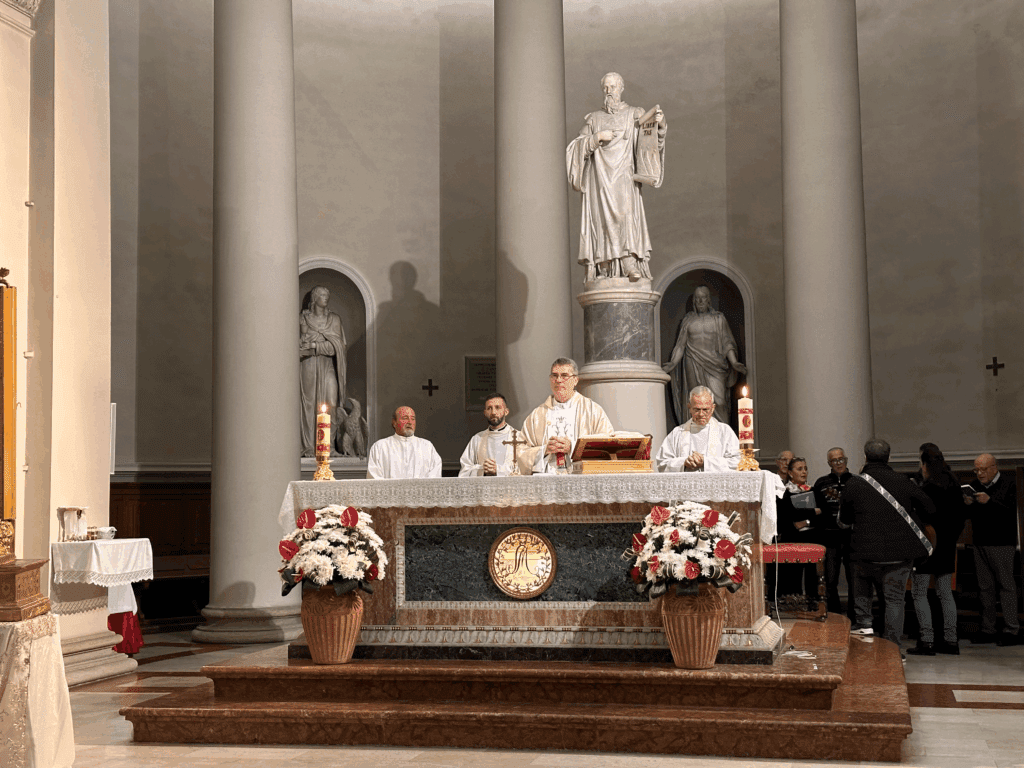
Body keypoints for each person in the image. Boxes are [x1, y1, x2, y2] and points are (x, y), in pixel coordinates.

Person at [566, 72, 666, 283]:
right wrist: (596, 138)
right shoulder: (594, 118)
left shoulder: (634, 115)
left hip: (625, 178)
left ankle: (628, 261)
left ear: (621, 88)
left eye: (613, 87)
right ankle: (604, 262)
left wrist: (660, 125)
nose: (609, 91)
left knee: (626, 216)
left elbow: (649, 147)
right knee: (602, 218)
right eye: (606, 88)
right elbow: (575, 149)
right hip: (600, 180)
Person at [839, 439, 935, 657]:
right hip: (898, 555)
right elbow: (930, 508)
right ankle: (892, 651)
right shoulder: (903, 481)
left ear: (865, 457)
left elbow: (844, 520)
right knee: (894, 601)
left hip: (863, 553)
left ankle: (863, 648)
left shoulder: (854, 484)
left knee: (862, 598)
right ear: (888, 457)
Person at [907, 445, 967, 655]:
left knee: (919, 592)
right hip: (947, 544)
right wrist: (950, 538)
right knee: (945, 593)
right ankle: (951, 641)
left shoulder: (927, 490)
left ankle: (927, 640)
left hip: (927, 545)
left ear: (925, 465)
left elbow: (918, 519)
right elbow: (961, 518)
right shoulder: (953, 484)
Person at [662, 286, 747, 425]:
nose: (700, 301)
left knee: (718, 401)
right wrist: (672, 363)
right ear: (694, 301)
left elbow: (727, 343)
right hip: (693, 362)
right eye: (697, 298)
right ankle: (694, 435)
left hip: (715, 364)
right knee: (695, 399)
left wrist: (734, 362)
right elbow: (680, 346)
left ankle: (722, 434)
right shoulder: (688, 320)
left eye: (703, 297)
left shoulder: (719, 319)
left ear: (709, 300)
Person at [520, 358, 614, 475]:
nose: (558, 380)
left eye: (564, 376)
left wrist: (573, 448)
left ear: (575, 380)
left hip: (581, 482)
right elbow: (519, 453)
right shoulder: (537, 416)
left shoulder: (592, 411)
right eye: (554, 376)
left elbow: (608, 448)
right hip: (547, 483)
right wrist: (544, 450)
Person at [965, 453, 1020, 645]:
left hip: (1002, 542)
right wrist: (968, 505)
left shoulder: (1009, 484)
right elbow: (972, 516)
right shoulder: (975, 485)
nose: (979, 474)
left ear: (994, 468)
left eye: (983, 469)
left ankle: (1011, 630)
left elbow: (1011, 512)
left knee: (1006, 586)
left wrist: (990, 502)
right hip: (980, 541)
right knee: (985, 587)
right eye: (977, 470)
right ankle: (988, 629)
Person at [299, 286, 346, 457]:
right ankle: (309, 447)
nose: (326, 298)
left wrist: (314, 346)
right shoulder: (303, 319)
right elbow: (297, 346)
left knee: (331, 402)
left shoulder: (334, 319)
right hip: (308, 365)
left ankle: (328, 446)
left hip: (328, 366)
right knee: (308, 404)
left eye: (328, 295)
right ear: (314, 298)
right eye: (322, 295)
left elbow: (338, 347)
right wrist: (316, 346)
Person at [812, 447, 855, 616]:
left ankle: (854, 617)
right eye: (835, 460)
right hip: (829, 538)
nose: (839, 463)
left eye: (841, 459)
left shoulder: (855, 481)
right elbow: (815, 510)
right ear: (829, 463)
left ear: (846, 460)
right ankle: (835, 616)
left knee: (855, 580)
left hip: (852, 538)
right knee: (830, 580)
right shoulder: (821, 483)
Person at [655, 386, 740, 472]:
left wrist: (705, 462)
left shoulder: (725, 431)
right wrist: (683, 462)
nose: (701, 414)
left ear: (713, 408)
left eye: (705, 409)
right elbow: (662, 463)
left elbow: (737, 462)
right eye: (696, 409)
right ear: (689, 408)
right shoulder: (677, 433)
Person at [366, 406, 442, 480]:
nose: (409, 422)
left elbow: (434, 477)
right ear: (394, 422)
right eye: (405, 418)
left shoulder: (427, 447)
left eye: (413, 419)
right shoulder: (380, 447)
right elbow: (374, 479)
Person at [459, 393, 516, 477]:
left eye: (497, 408)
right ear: (485, 413)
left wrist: (498, 470)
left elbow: (524, 470)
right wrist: (482, 470)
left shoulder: (519, 437)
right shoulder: (477, 439)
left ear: (506, 411)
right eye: (489, 408)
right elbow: (465, 471)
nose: (493, 412)